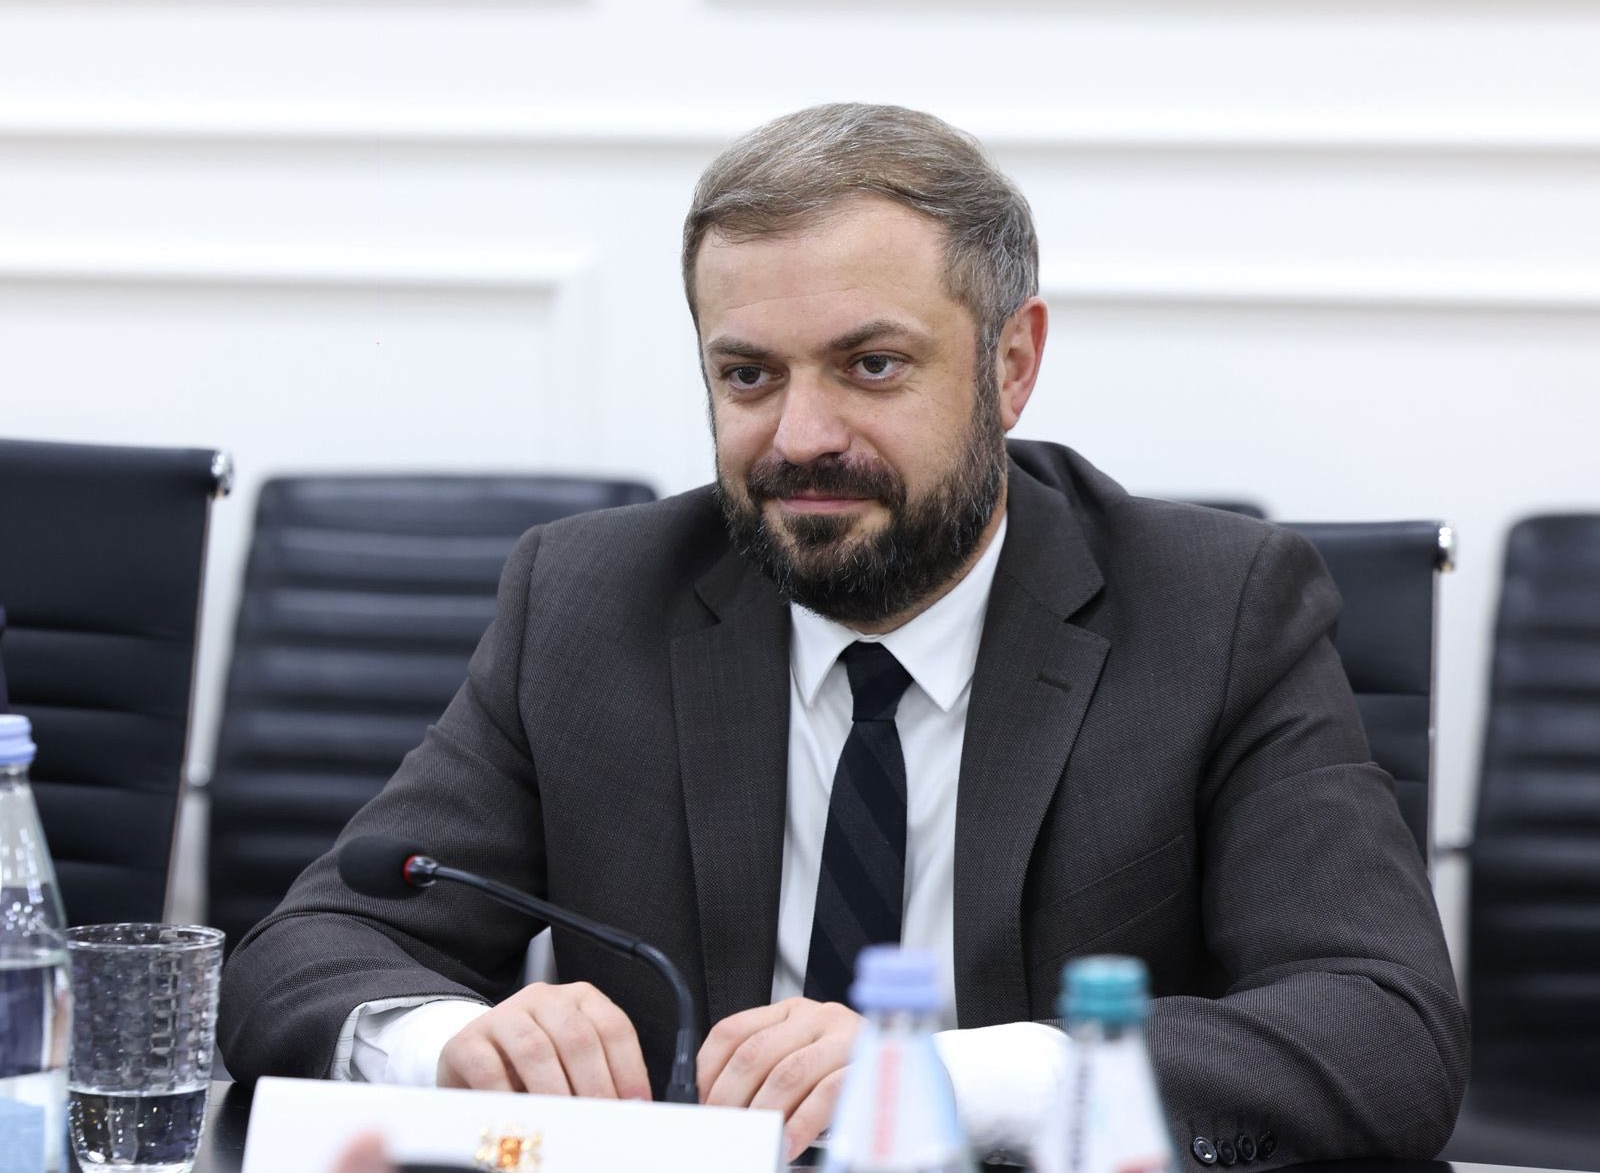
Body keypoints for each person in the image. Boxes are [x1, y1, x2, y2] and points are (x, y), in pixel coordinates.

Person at [220, 104, 1468, 1166]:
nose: (800, 435)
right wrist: (454, 1043)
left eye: (870, 365)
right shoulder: (590, 600)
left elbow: (1382, 1028)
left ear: (1011, 363)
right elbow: (308, 952)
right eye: (748, 375)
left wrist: (939, 1075)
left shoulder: (1217, 608)